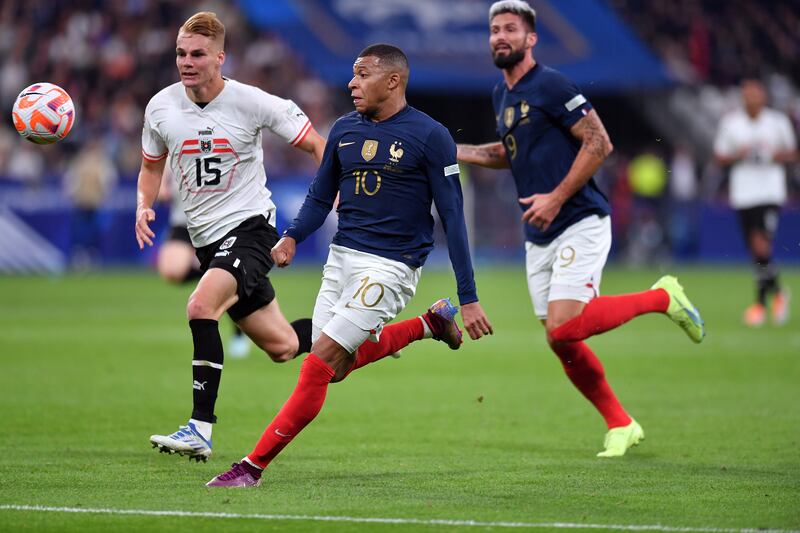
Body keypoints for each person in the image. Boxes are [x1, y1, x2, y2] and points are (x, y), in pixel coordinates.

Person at [206, 43, 493, 487]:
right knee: (335, 369)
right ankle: (429, 325)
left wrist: (469, 297)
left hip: (391, 267)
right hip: (341, 260)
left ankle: (251, 467)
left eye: (362, 75)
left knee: (316, 364)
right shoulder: (343, 131)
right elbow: (321, 196)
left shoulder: (431, 136)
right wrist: (291, 237)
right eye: (353, 75)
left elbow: (453, 218)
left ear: (393, 81)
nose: (351, 83)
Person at [456, 0, 705, 458]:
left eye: (510, 28)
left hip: (578, 218)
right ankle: (620, 422)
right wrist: (457, 150)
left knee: (565, 326)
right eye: (494, 29)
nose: (500, 36)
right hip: (539, 233)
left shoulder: (550, 84)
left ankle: (662, 297)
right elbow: (509, 152)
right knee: (560, 338)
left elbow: (599, 141)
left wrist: (556, 197)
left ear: (531, 38)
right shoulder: (502, 95)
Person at [134, 11, 326, 462]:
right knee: (282, 347)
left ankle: (200, 427)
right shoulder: (160, 107)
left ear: (220, 57)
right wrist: (143, 203)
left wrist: (331, 195)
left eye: (197, 54)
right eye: (181, 53)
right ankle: (358, 331)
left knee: (200, 306)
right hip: (206, 241)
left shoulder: (252, 102)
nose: (186, 61)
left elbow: (317, 144)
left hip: (250, 229)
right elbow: (150, 165)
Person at [714, 79, 797, 327]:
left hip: (770, 192)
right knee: (756, 248)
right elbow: (719, 156)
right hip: (744, 193)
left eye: (755, 96)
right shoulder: (731, 123)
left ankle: (760, 304)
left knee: (762, 245)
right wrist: (739, 155)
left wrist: (772, 155)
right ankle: (779, 293)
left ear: (763, 98)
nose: (751, 100)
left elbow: (792, 152)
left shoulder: (777, 122)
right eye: (747, 96)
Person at [156, 174, 251, 358]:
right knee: (171, 270)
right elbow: (158, 178)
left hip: (219, 223)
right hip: (183, 220)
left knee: (220, 276)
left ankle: (239, 330)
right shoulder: (169, 147)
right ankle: (224, 277)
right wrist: (160, 190)